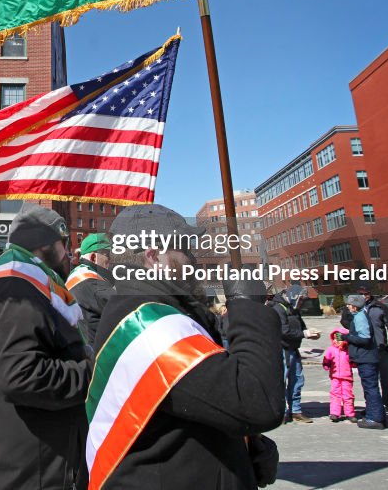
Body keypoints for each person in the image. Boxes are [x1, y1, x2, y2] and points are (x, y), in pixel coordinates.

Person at [88, 205, 283, 489]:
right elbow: (257, 401)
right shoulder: (149, 328)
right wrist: (247, 306)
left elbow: (196, 405)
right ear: (156, 257)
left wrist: (246, 444)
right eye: (185, 250)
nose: (193, 260)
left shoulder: (154, 313)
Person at [0, 204, 91, 490]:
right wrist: (93, 372)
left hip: (30, 465)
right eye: (64, 243)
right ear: (45, 242)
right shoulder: (14, 286)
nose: (68, 252)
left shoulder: (26, 284)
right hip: (22, 474)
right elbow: (22, 376)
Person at [341, 284, 388, 420]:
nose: (364, 296)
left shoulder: (379, 307)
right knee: (369, 382)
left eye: (366, 293)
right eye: (361, 293)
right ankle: (372, 408)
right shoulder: (352, 308)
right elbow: (344, 322)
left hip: (380, 348)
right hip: (365, 350)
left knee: (385, 380)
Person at [272, 285, 315, 423]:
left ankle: (295, 410)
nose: (302, 303)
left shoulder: (293, 309)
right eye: (301, 299)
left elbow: (301, 325)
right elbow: (283, 331)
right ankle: (283, 412)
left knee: (297, 380)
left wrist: (309, 333)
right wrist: (303, 334)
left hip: (293, 348)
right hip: (283, 350)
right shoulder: (278, 308)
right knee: (282, 381)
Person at [65, 232, 115, 349]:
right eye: (109, 255)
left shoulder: (77, 274)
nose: (113, 262)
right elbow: (128, 307)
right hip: (97, 357)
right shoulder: (90, 281)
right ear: (93, 257)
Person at [342, 294, 385, 429]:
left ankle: (375, 418)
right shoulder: (359, 315)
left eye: (349, 304)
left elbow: (365, 339)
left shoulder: (360, 317)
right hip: (366, 357)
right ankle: (373, 413)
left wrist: (347, 337)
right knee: (370, 387)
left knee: (371, 388)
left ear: (355, 306)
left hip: (366, 357)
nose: (347, 306)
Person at [322, 327, 355, 422]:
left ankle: (350, 413)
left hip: (347, 376)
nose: (337, 341)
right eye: (335, 338)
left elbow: (353, 361)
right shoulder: (331, 349)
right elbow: (326, 359)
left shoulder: (348, 350)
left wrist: (354, 362)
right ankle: (334, 413)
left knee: (348, 395)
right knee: (335, 394)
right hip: (335, 376)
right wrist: (326, 364)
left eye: (339, 339)